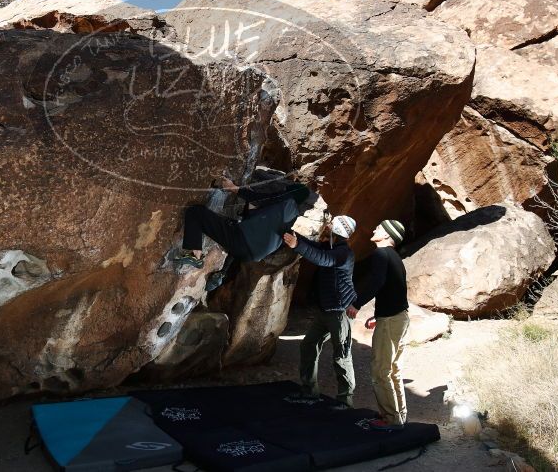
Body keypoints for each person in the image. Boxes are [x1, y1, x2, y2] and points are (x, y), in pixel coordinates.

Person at [173, 176, 310, 291]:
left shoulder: (285, 200)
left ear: (291, 192)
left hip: (242, 241)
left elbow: (258, 199)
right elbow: (254, 215)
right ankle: (221, 274)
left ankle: (195, 255)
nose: (284, 189)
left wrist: (233, 188)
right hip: (250, 254)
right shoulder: (292, 216)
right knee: (232, 231)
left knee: (195, 212)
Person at [282, 215, 358, 408]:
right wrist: (294, 236)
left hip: (340, 311)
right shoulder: (331, 247)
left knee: (341, 355)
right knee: (308, 346)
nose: (328, 225)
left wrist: (296, 245)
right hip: (326, 310)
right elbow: (315, 247)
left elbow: (323, 259)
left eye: (332, 224)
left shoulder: (343, 253)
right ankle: (309, 392)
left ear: (338, 230)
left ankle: (345, 400)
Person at [347, 220, 409, 431]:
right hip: (398, 317)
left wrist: (357, 303)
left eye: (379, 228)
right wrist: (378, 315)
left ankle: (390, 419)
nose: (374, 229)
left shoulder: (381, 254)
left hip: (392, 320)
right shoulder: (395, 258)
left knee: (380, 371)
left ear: (386, 235)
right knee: (393, 370)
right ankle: (399, 416)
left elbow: (377, 283)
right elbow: (396, 289)